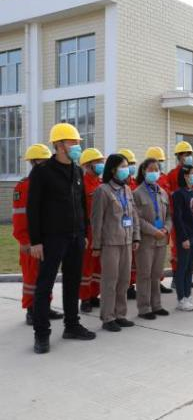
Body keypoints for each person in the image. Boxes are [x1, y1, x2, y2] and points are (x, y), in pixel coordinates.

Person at [28, 123, 96, 354]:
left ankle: (72, 325)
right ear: (59, 145)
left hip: (75, 237)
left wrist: (83, 233)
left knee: (72, 282)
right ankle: (41, 334)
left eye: (77, 142)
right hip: (51, 239)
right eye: (72, 142)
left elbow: (81, 205)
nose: (77, 146)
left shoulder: (77, 171)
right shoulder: (42, 171)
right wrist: (36, 241)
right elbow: (33, 208)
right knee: (44, 285)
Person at [13, 144, 63, 325]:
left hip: (47, 240)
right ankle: (31, 311)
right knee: (31, 278)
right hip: (31, 242)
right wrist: (25, 240)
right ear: (34, 162)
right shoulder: (24, 186)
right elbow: (20, 216)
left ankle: (44, 308)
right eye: (44, 161)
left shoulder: (46, 183)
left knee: (46, 277)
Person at [91, 154, 141, 332]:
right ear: (113, 169)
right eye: (123, 166)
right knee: (110, 281)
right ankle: (108, 317)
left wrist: (136, 236)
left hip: (126, 241)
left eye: (127, 166)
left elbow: (133, 214)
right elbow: (97, 220)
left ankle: (120, 314)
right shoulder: (102, 191)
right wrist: (96, 245)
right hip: (110, 243)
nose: (126, 169)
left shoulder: (127, 189)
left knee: (124, 280)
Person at [133, 158, 172, 319]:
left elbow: (169, 216)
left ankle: (156, 305)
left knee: (156, 274)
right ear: (143, 171)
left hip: (161, 239)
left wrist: (166, 228)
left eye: (157, 169)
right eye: (151, 169)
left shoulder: (162, 192)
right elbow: (137, 218)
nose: (154, 172)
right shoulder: (137, 193)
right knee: (145, 274)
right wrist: (153, 231)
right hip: (146, 240)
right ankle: (144, 308)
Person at [172, 165, 193, 311]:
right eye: (192, 173)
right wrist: (183, 237)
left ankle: (188, 295)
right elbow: (178, 218)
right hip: (186, 237)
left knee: (190, 267)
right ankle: (181, 299)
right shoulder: (179, 194)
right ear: (185, 176)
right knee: (183, 267)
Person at [167, 141, 193, 289]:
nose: (189, 157)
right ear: (179, 156)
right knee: (177, 248)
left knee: (191, 249)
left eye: (190, 154)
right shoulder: (172, 174)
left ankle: (187, 277)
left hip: (191, 217)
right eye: (186, 154)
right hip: (178, 216)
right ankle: (176, 277)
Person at [78, 148, 105, 313]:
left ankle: (95, 295)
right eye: (98, 162)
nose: (101, 164)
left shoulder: (101, 183)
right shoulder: (81, 184)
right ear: (88, 165)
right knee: (86, 266)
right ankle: (85, 298)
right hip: (87, 229)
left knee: (98, 266)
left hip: (101, 229)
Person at [144, 146, 172, 294]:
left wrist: (166, 227)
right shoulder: (141, 187)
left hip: (162, 226)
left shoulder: (164, 179)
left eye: (160, 162)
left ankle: (158, 283)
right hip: (149, 230)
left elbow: (168, 205)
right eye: (155, 163)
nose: (158, 167)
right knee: (146, 264)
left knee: (159, 260)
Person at [118, 148, 139, 300]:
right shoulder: (109, 186)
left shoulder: (134, 183)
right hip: (117, 229)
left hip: (131, 226)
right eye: (127, 164)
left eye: (132, 164)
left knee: (131, 261)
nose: (131, 167)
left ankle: (130, 286)